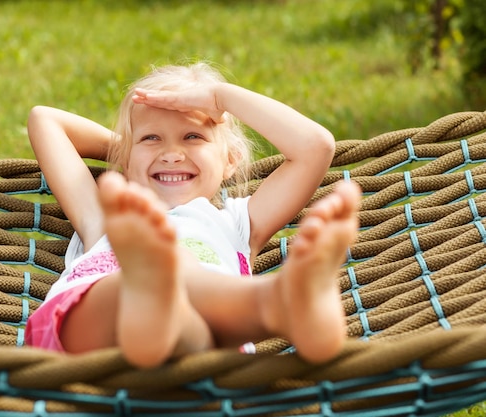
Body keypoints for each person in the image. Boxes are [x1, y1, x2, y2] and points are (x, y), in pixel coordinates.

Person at [25, 62, 361, 369]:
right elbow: (45, 120)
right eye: (152, 139)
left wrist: (220, 97)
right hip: (89, 341)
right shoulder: (106, 219)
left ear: (231, 160)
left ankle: (164, 301)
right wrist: (127, 150)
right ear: (126, 159)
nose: (171, 154)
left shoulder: (237, 224)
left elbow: (316, 146)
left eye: (193, 136)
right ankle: (275, 303)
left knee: (186, 318)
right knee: (163, 272)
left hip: (203, 350)